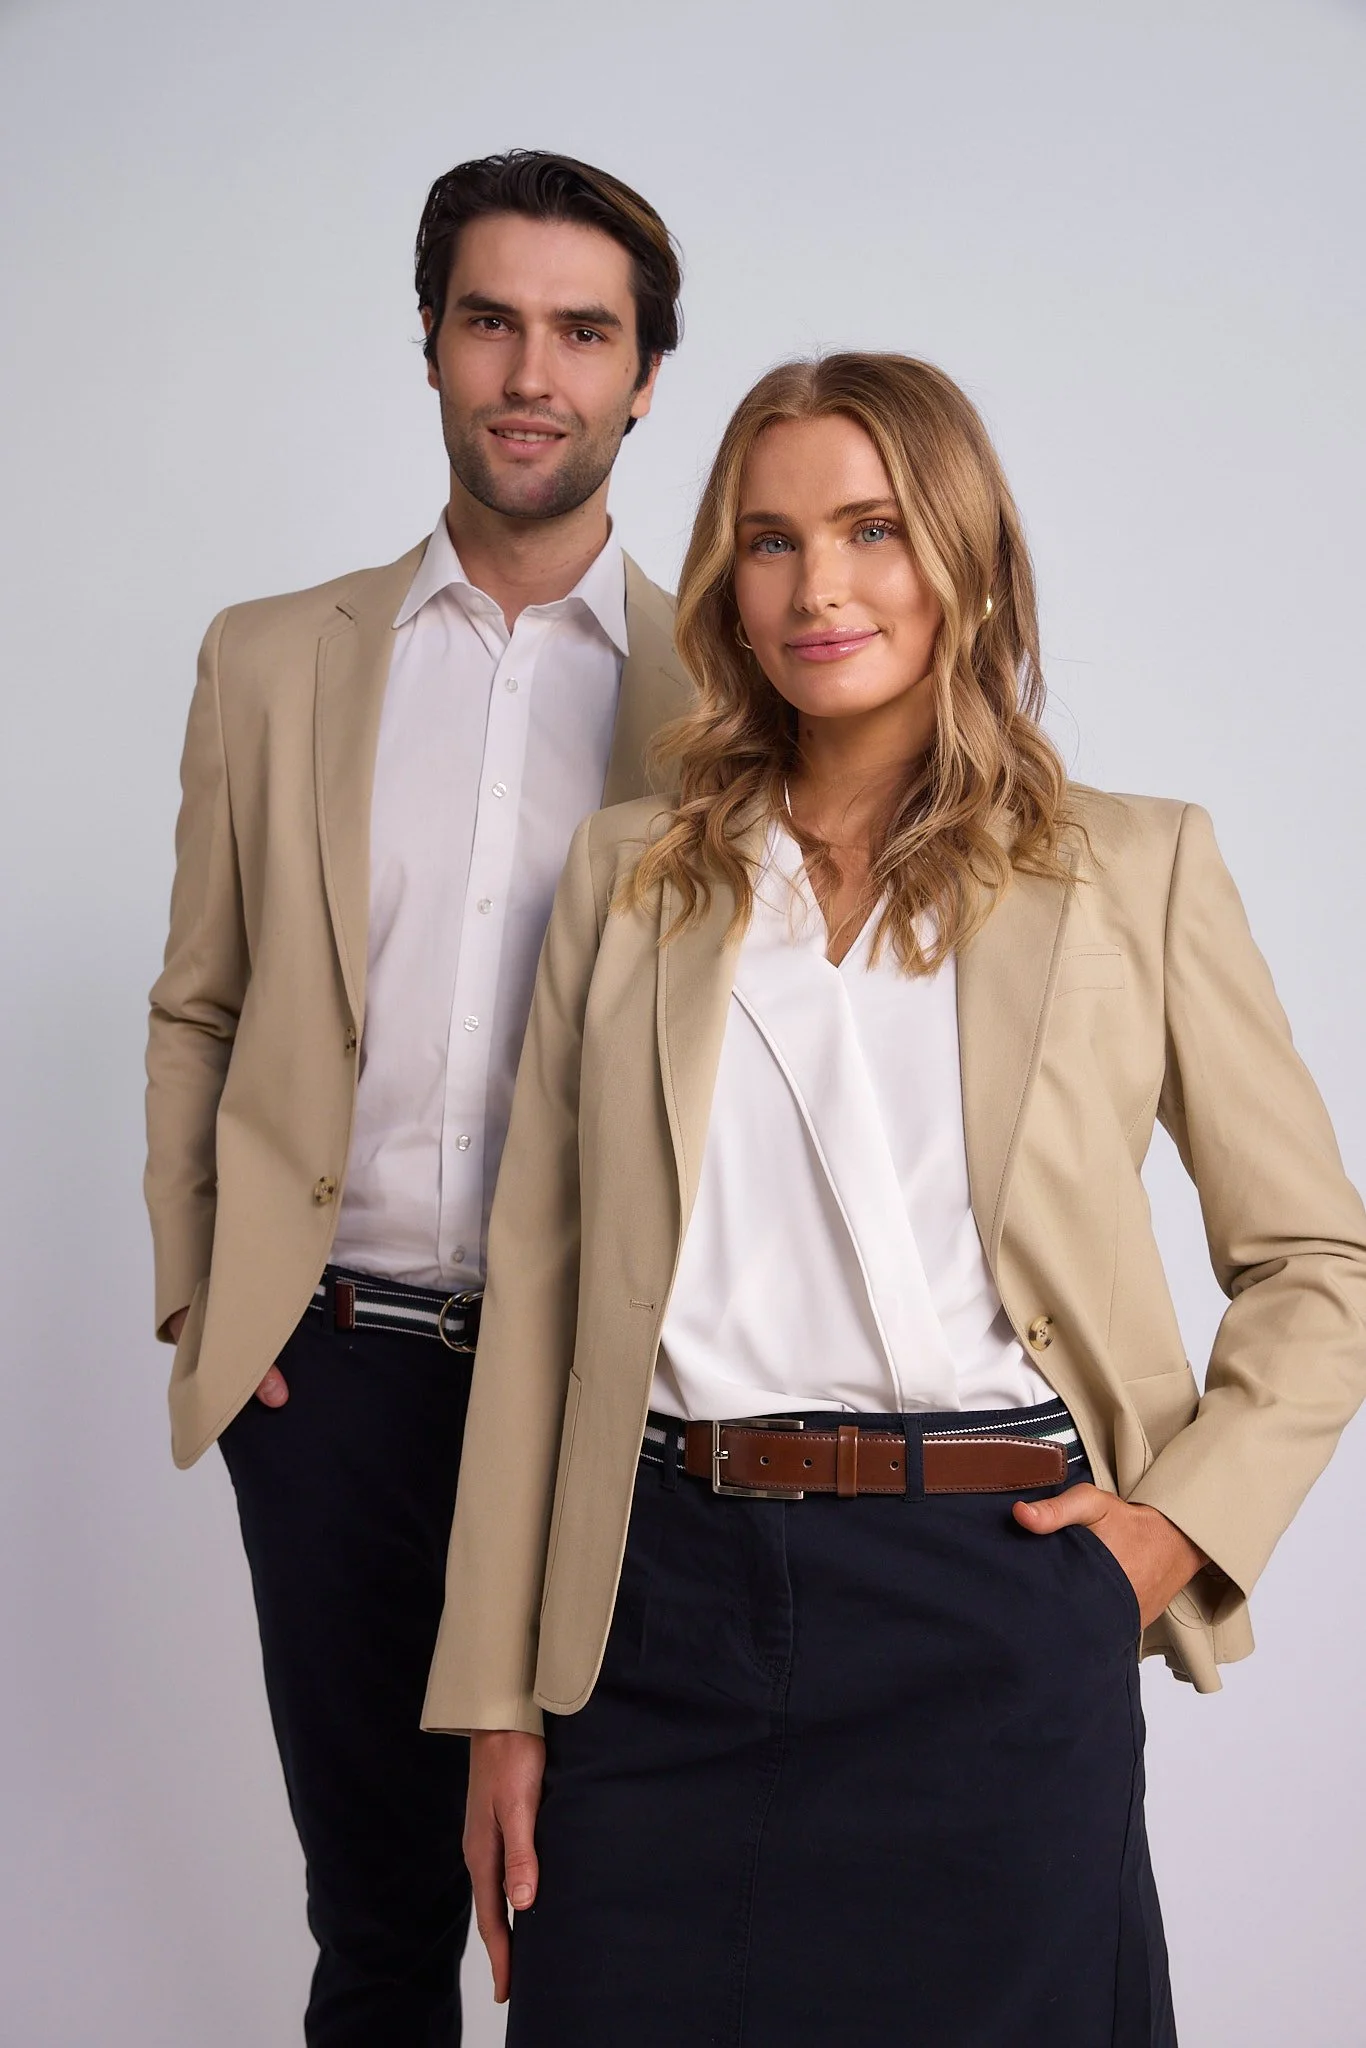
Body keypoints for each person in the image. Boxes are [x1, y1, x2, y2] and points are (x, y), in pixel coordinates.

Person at [422, 352, 1366, 2046]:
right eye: (771, 540)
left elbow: (1316, 1262)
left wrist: (1162, 1540)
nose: (821, 586)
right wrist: (498, 1696)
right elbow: (540, 1303)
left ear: (966, 557)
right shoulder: (632, 877)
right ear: (727, 579)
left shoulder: (1130, 867)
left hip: (991, 1604)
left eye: (871, 528)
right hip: (658, 1607)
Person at [143, 150, 687, 2046]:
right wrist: (208, 1297)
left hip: (622, 1399)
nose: (530, 371)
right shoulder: (272, 660)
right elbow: (198, 1005)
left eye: (580, 331)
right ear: (433, 347)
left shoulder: (730, 698)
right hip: (344, 1381)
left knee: (597, 1920)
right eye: (489, 321)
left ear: (642, 377)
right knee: (379, 1932)